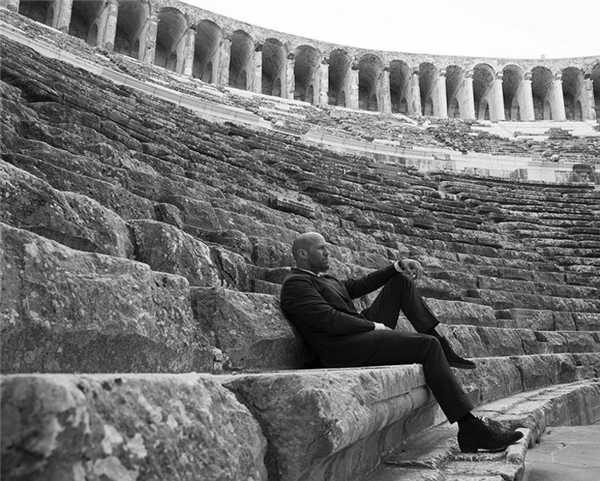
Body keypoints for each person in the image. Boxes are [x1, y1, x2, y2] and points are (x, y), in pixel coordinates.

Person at [280, 232, 523, 453]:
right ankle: (470, 428)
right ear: (302, 253)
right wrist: (374, 326)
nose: (328, 252)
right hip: (341, 348)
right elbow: (329, 320)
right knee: (427, 346)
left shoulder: (326, 279)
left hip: (356, 334)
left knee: (400, 281)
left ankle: (440, 342)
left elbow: (361, 285)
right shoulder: (296, 283)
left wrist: (397, 266)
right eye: (321, 248)